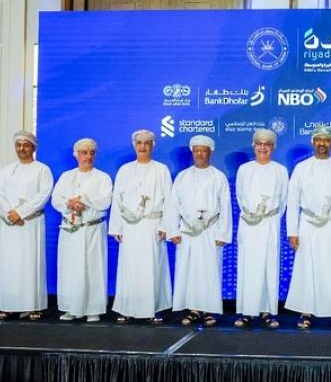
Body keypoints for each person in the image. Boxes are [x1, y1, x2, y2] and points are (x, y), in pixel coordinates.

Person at [285, 125, 331, 330]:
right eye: (318, 140)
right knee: (307, 269)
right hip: (308, 226)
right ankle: (306, 312)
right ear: (313, 142)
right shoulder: (301, 168)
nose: (322, 144)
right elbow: (293, 202)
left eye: (326, 140)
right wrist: (292, 232)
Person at [162, 135, 232, 327]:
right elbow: (173, 205)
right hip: (187, 231)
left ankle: (209, 310)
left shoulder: (218, 177)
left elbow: (225, 206)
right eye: (197, 150)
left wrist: (223, 234)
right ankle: (193, 309)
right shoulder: (183, 177)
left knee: (210, 269)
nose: (200, 154)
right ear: (192, 152)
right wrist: (173, 231)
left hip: (211, 231)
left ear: (210, 152)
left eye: (204, 151)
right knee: (189, 270)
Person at [109, 129, 173, 324]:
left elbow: (169, 200)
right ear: (134, 145)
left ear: (153, 146)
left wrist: (165, 226)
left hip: (152, 226)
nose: (143, 146)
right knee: (129, 268)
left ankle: (153, 309)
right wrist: (116, 227)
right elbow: (117, 200)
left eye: (147, 143)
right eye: (139, 143)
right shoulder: (125, 170)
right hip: (130, 227)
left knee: (152, 268)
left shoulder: (161, 169)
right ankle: (127, 309)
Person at [0, 130, 53, 320]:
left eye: (26, 145)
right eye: (18, 145)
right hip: (11, 224)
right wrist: (12, 213)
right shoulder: (7, 170)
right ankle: (9, 305)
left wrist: (22, 213)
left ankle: (34, 306)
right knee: (9, 264)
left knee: (31, 263)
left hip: (31, 223)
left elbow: (43, 195)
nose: (22, 148)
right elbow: (0, 192)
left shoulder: (42, 170)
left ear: (33, 148)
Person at [51, 138, 113, 322]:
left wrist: (84, 200)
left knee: (93, 268)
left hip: (93, 229)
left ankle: (93, 309)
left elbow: (105, 201)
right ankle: (71, 308)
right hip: (70, 229)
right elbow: (56, 199)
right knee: (70, 269)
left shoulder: (102, 177)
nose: (88, 156)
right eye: (84, 152)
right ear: (76, 155)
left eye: (91, 152)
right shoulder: (66, 177)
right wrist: (70, 204)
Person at [234, 129, 288, 329]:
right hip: (249, 225)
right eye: (259, 143)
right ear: (253, 145)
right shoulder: (244, 169)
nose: (263, 147)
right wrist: (252, 217)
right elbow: (240, 196)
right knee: (248, 268)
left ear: (273, 147)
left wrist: (269, 219)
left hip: (270, 224)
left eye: (267, 144)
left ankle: (268, 312)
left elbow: (283, 200)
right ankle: (247, 312)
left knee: (268, 267)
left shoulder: (280, 170)